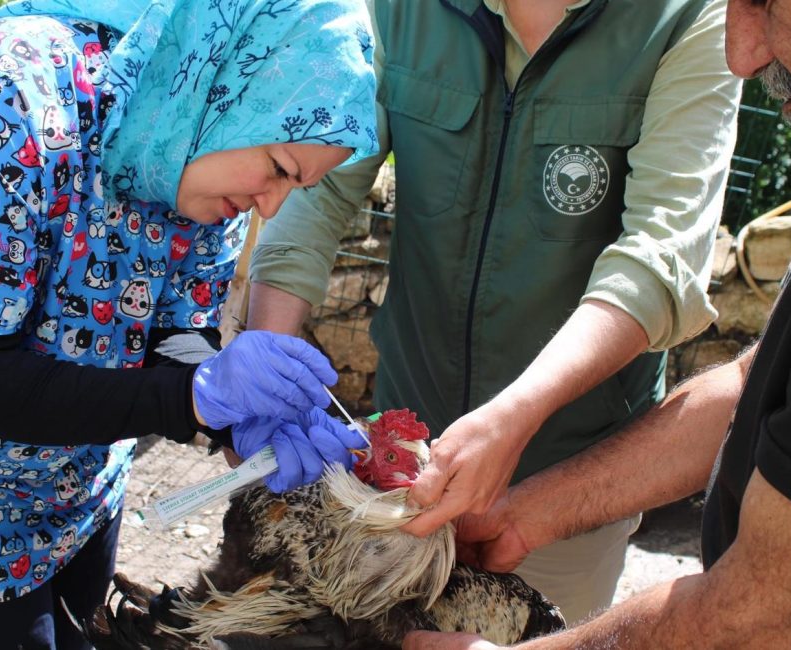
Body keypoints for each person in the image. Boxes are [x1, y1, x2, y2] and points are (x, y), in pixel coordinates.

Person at [0, 0, 378, 647]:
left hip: (73, 488)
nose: (272, 203)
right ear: (225, 80)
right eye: (280, 167)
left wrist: (234, 418)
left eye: (297, 187)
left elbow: (175, 337)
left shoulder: (203, 145)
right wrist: (191, 398)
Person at [401, 0, 791, 646]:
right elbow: (753, 387)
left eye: (764, 4)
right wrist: (530, 515)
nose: (742, 55)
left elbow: (763, 617)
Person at [246, 0, 741, 622]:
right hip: (396, 462)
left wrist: (514, 419)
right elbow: (318, 188)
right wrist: (266, 359)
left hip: (566, 486)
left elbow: (659, 258)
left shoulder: (691, 17)